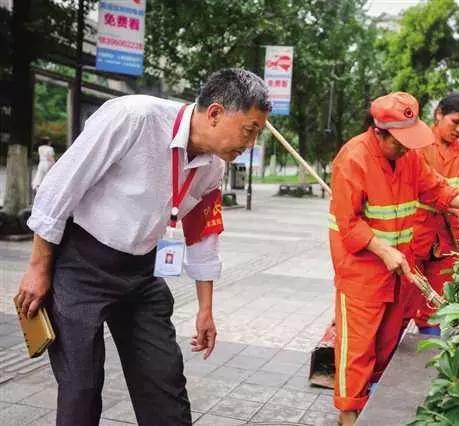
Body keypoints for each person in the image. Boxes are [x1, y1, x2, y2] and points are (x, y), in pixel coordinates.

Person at [16, 68, 271, 426]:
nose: (251, 144)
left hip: (141, 276)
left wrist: (205, 309)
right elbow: (60, 187)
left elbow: (203, 236)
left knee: (164, 384)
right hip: (81, 266)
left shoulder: (212, 167)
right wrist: (38, 267)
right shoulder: (134, 117)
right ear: (215, 113)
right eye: (249, 130)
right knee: (81, 389)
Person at [329, 92, 459, 425]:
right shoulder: (352, 158)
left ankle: (370, 406)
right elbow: (348, 223)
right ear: (378, 131)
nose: (406, 148)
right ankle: (348, 416)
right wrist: (383, 249)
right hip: (362, 273)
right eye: (399, 141)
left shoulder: (410, 159)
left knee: (385, 346)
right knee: (357, 350)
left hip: (400, 270)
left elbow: (439, 190)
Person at [408, 92, 459, 333]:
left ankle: (431, 352)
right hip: (415, 235)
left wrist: (448, 194)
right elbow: (415, 187)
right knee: (406, 302)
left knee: (438, 305)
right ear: (439, 114)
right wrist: (455, 198)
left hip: (448, 241)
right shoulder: (417, 146)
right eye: (455, 122)